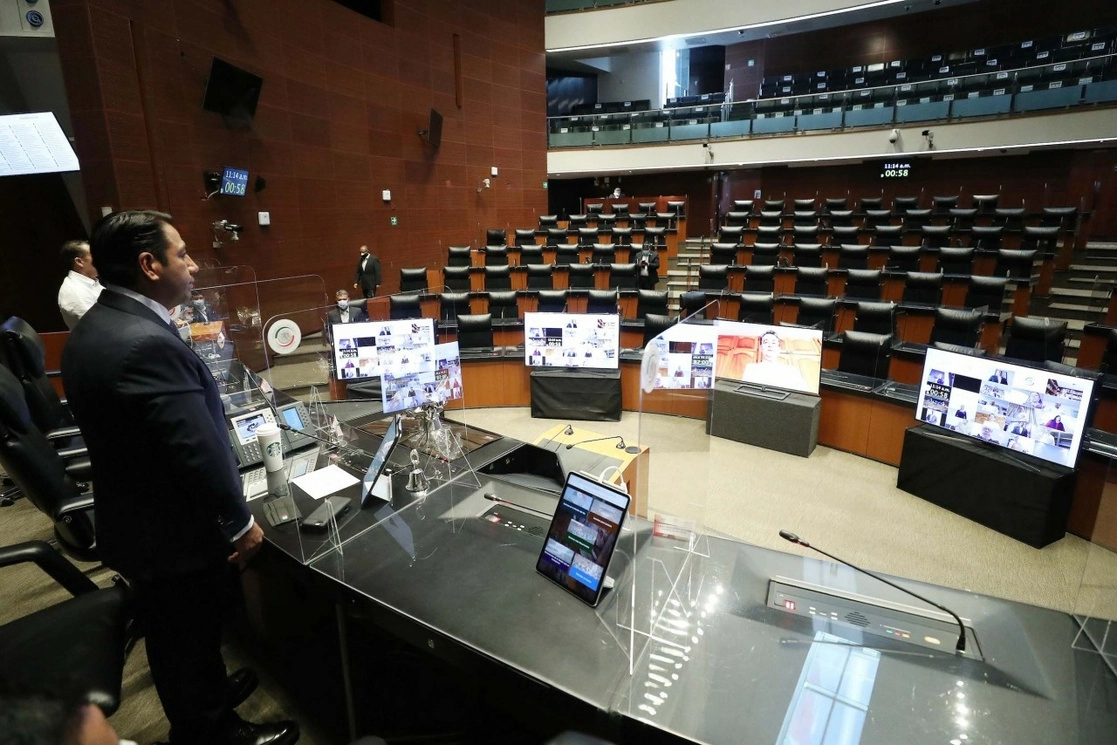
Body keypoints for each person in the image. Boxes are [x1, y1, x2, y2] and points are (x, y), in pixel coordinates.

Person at [60, 211, 298, 745]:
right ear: (149, 265)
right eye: (183, 254)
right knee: (185, 634)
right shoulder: (145, 343)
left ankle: (204, 696)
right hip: (172, 533)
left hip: (137, 517)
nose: (193, 266)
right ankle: (210, 730)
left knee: (178, 634)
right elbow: (197, 450)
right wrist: (240, 524)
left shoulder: (96, 326)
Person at [57, 239, 103, 329]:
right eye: (94, 255)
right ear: (79, 262)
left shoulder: (91, 282)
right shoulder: (73, 291)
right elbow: (98, 325)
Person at [742, 330, 807, 390]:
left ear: (779, 349)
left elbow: (802, 396)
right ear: (761, 348)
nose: (770, 345)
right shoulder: (751, 369)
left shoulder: (792, 371)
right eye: (766, 342)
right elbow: (744, 391)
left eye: (773, 343)